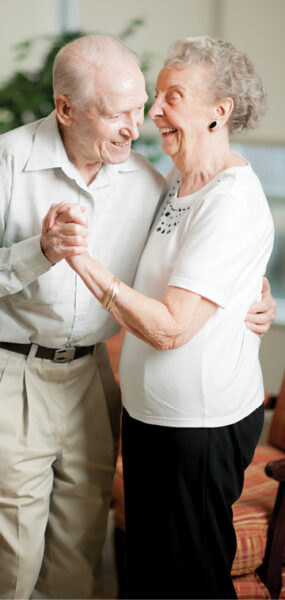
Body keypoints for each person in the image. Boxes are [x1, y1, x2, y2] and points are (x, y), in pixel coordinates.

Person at [49, 36, 276, 599]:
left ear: (218, 112)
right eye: (158, 95)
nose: (154, 111)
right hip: (155, 422)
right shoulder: (177, 183)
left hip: (199, 428)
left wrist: (81, 261)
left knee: (188, 582)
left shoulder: (230, 200)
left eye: (172, 96)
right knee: (152, 578)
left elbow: (172, 327)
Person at [0, 34, 166, 599]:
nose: (134, 126)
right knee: (13, 559)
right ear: (65, 108)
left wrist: (252, 302)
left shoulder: (148, 182)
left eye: (138, 107)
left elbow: (181, 274)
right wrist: (39, 252)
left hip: (93, 378)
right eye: (115, 112)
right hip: (13, 376)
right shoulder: (7, 161)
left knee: (80, 551)